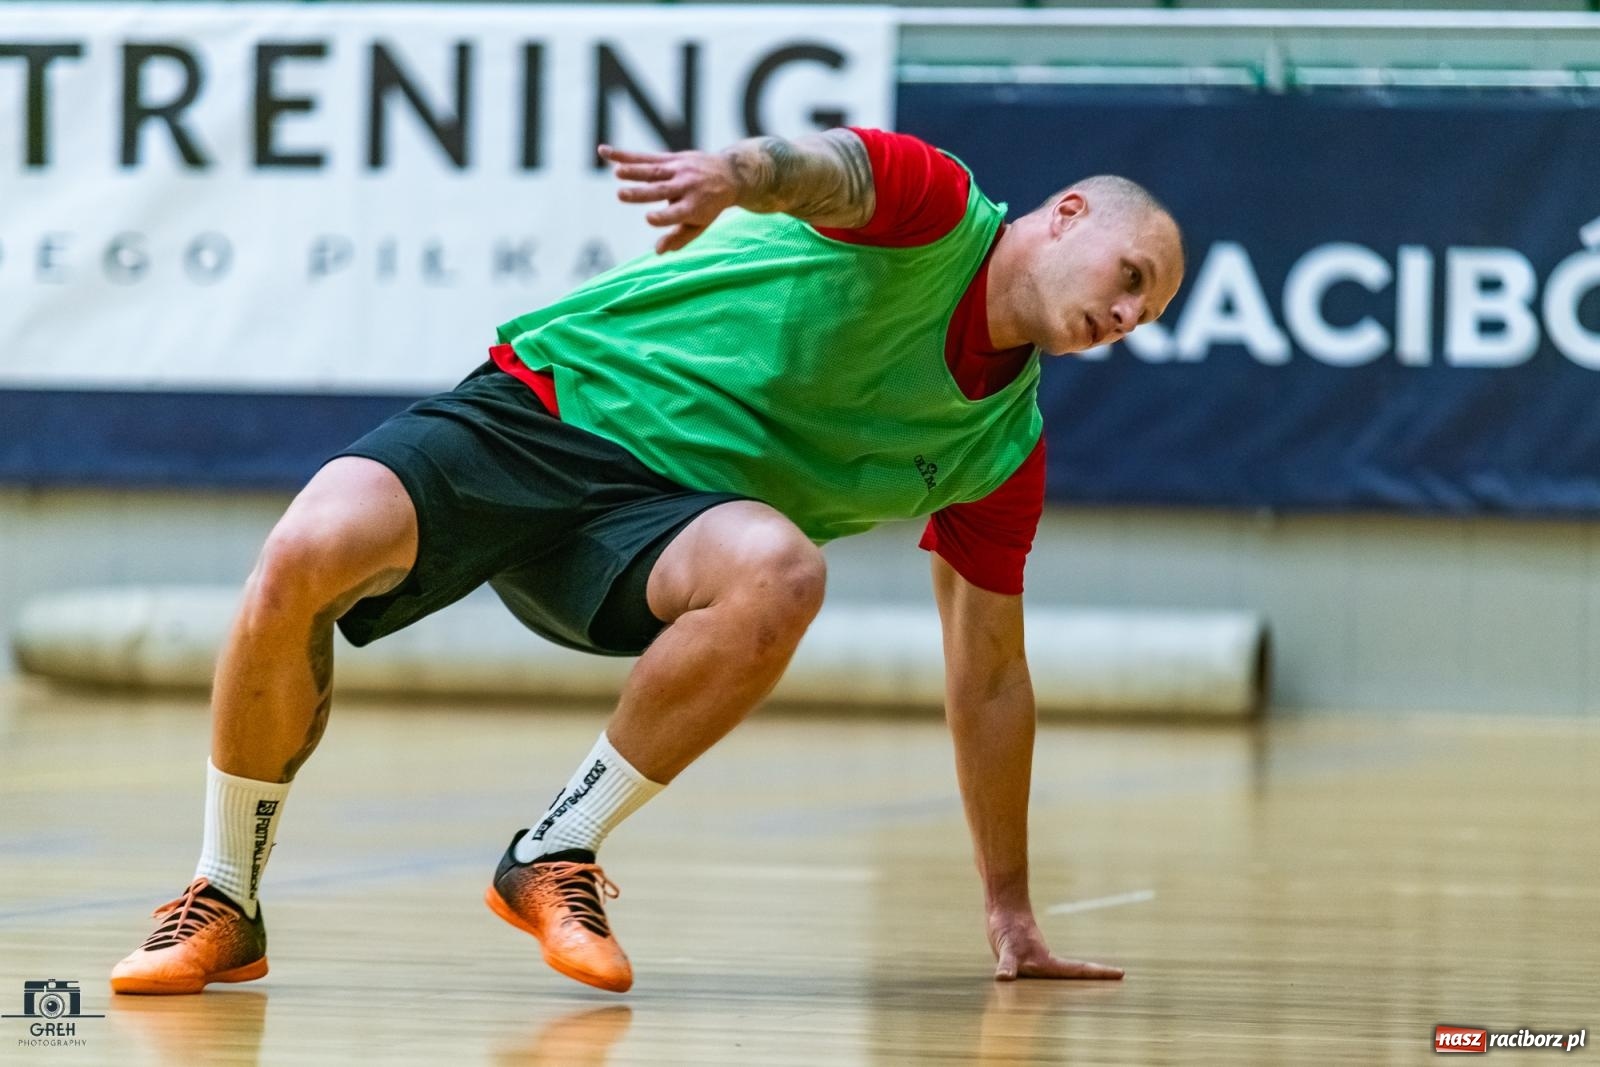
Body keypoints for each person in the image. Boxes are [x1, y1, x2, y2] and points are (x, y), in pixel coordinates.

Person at [109, 126, 1184, 996]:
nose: (1129, 315)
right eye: (1131, 276)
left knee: (782, 568)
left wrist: (1010, 908)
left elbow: (989, 676)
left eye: (1148, 310)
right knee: (304, 548)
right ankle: (224, 897)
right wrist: (737, 174)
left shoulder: (1001, 451)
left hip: (659, 536)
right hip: (545, 410)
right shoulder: (938, 210)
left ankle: (554, 849)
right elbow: (830, 171)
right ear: (1066, 215)